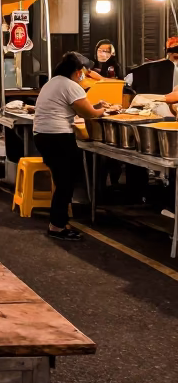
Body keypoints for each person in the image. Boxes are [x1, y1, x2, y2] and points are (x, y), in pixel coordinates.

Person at [33, 51, 109, 241]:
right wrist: (105, 110)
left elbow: (79, 106)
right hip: (57, 137)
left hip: (43, 136)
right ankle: (57, 226)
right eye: (83, 71)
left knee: (63, 181)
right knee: (66, 182)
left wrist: (96, 105)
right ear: (77, 71)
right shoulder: (71, 85)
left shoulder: (54, 82)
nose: (84, 75)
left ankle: (59, 221)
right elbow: (89, 114)